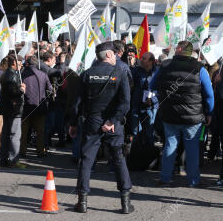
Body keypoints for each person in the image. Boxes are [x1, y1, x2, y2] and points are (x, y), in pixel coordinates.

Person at [69, 41, 134, 214]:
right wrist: (112, 121)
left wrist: (73, 123)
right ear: (109, 55)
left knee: (86, 160)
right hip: (114, 125)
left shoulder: (86, 74)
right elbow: (125, 103)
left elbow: (76, 104)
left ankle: (82, 202)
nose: (116, 57)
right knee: (119, 159)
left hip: (92, 122)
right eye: (114, 54)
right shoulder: (120, 73)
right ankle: (125, 203)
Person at [150, 41, 214, 187]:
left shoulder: (165, 65)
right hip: (193, 116)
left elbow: (152, 85)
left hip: (169, 114)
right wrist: (209, 113)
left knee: (170, 144)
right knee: (192, 148)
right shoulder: (199, 68)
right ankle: (193, 180)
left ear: (179, 50)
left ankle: (165, 177)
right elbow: (209, 94)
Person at [20, 55, 52, 157]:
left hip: (26, 107)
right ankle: (40, 151)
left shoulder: (22, 75)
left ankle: (22, 151)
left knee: (24, 132)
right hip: (39, 107)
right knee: (40, 132)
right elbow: (50, 90)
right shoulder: (43, 74)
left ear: (28, 64)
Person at [0, 54, 26, 168]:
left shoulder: (8, 74)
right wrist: (21, 90)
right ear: (14, 63)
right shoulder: (12, 75)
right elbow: (12, 92)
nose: (22, 64)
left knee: (6, 134)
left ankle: (4, 158)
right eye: (20, 62)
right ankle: (13, 160)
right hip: (13, 110)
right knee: (14, 135)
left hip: (8, 108)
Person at [131, 52, 158, 147]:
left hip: (151, 107)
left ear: (151, 61)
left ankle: (149, 155)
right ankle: (135, 155)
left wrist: (152, 99)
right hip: (137, 105)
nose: (141, 60)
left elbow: (160, 89)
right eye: (141, 58)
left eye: (144, 58)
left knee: (149, 133)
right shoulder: (136, 71)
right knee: (135, 132)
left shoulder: (157, 72)